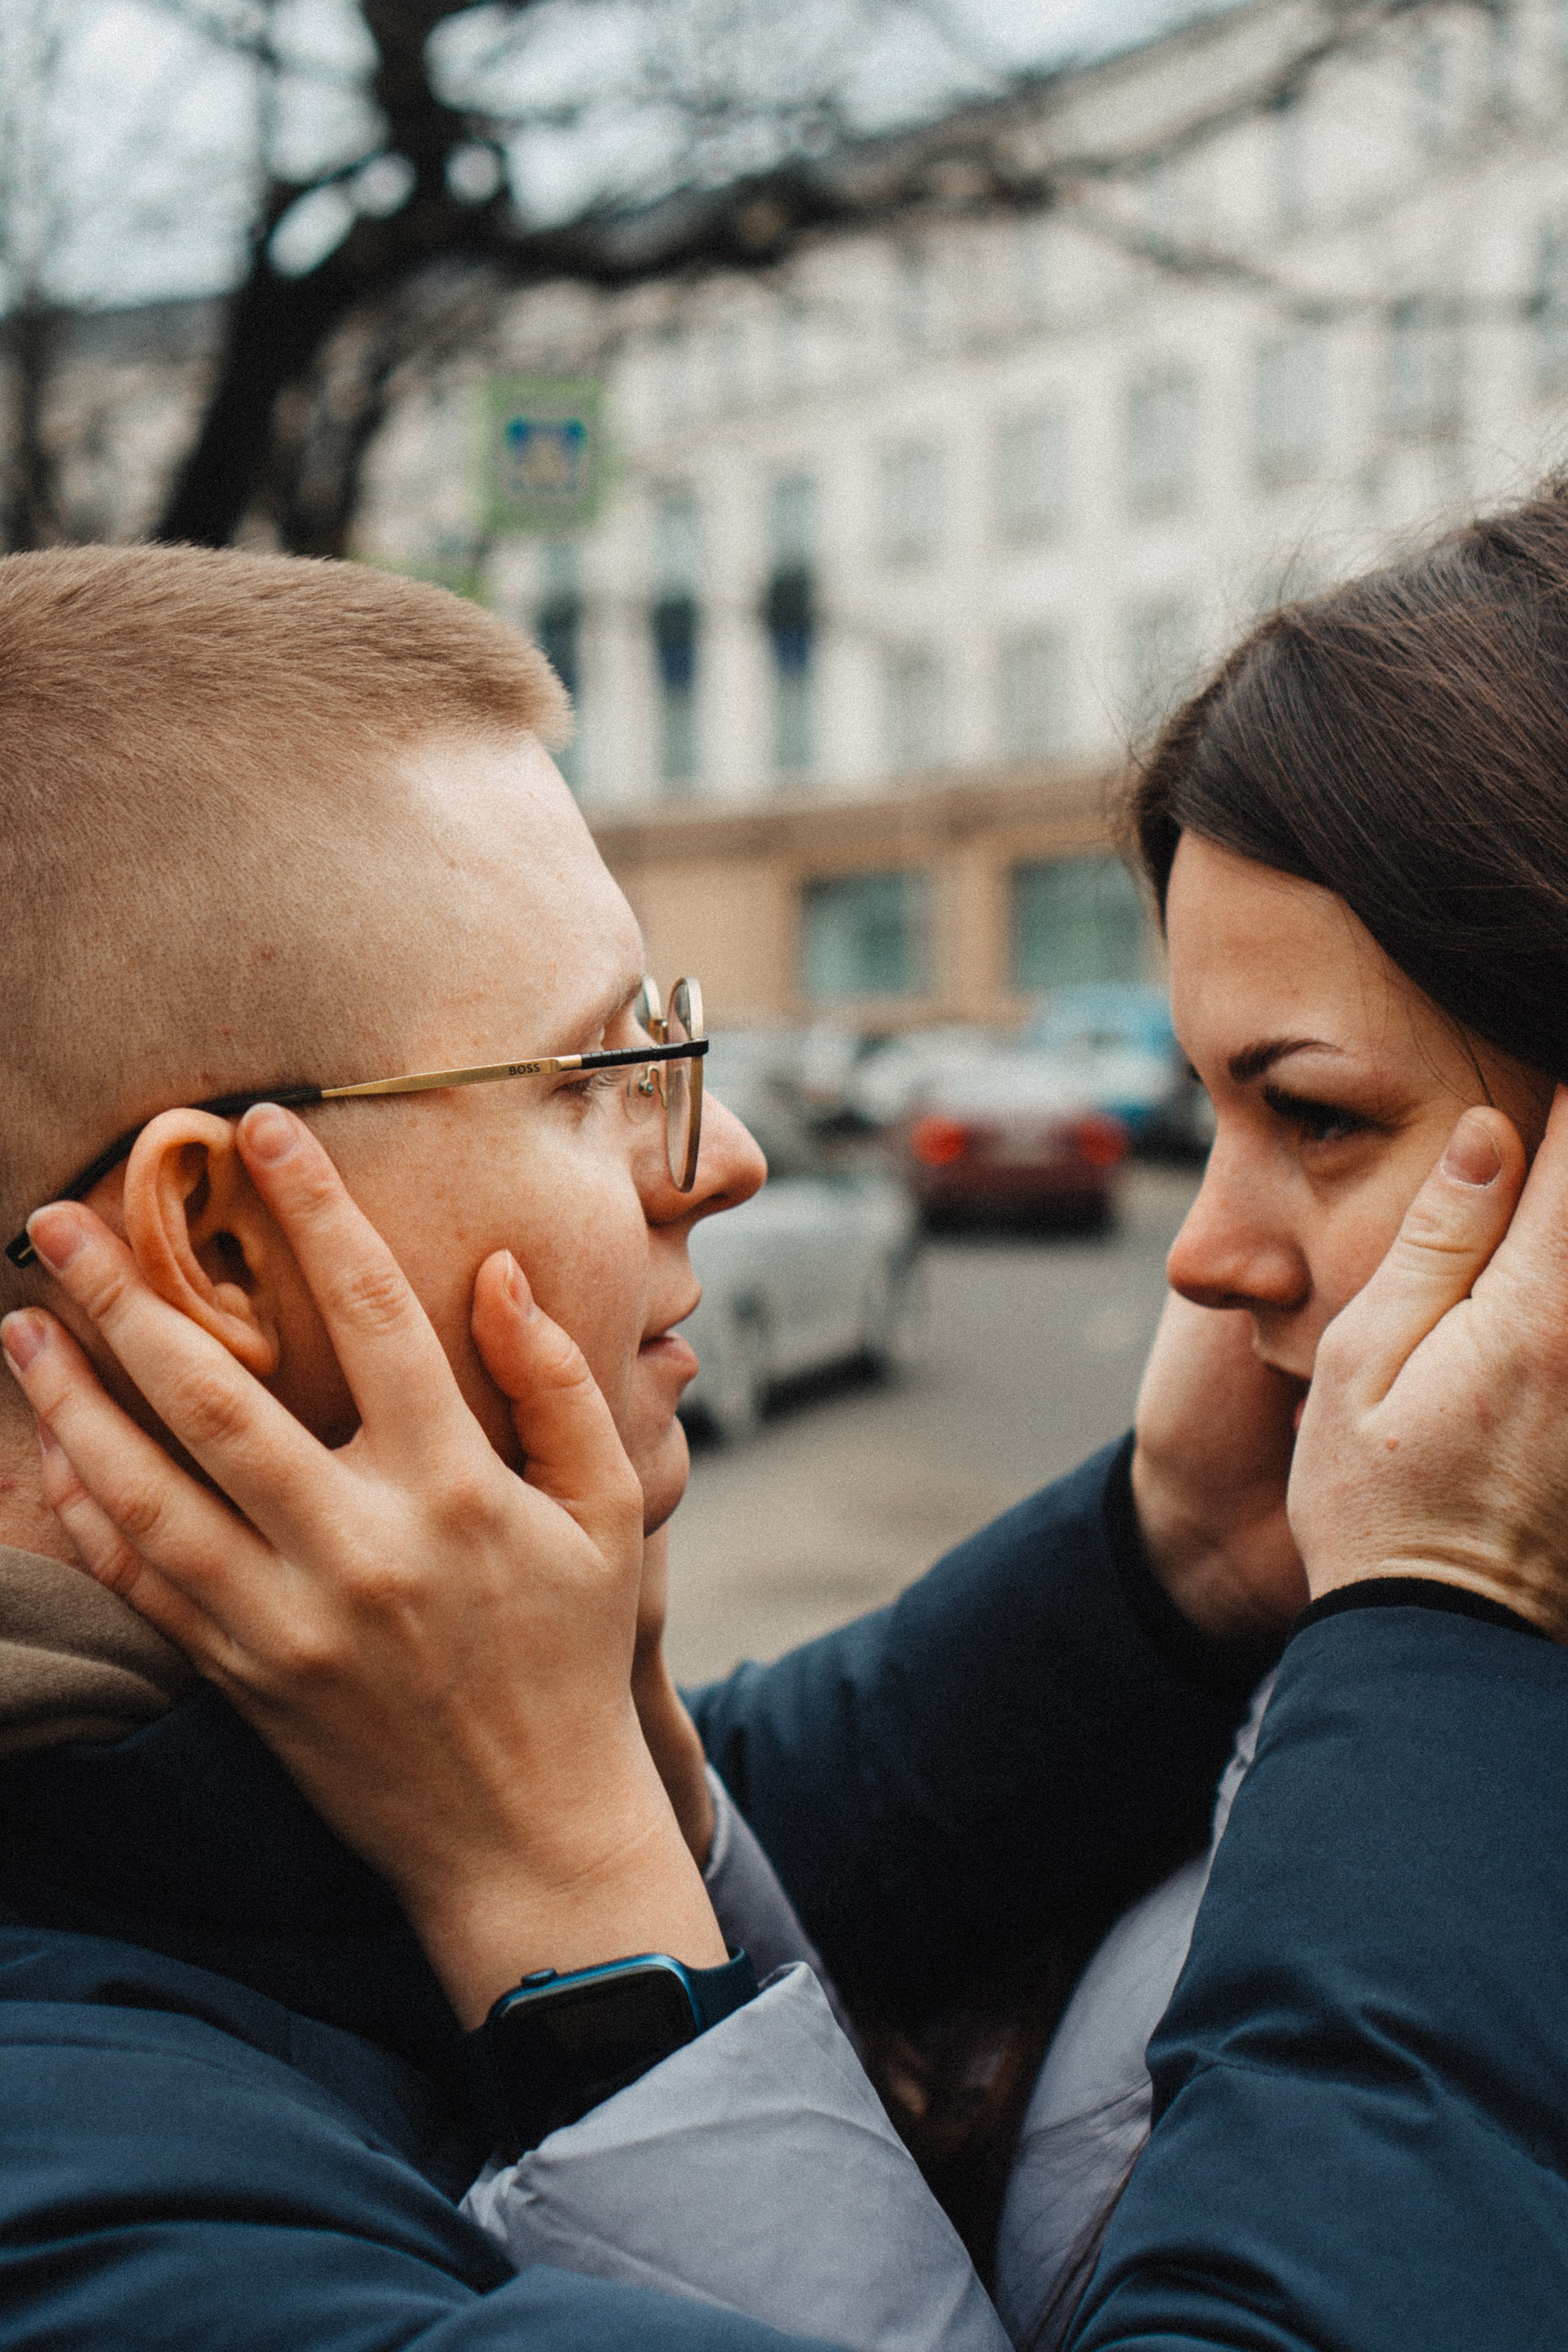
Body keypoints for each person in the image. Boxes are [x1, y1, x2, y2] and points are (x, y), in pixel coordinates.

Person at [12, 510, 1568, 2350]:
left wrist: (1173, 1561)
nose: (728, 1155)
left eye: (1310, 1111)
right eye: (609, 1073)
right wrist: (1446, 1621)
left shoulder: (253, 1798)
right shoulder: (91, 2206)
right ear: (218, 1241)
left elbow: (808, 1815)